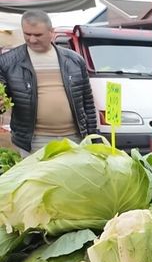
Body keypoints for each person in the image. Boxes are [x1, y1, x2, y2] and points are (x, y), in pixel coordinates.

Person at [0, 10, 97, 155]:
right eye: (27, 34)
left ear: (51, 31)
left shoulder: (74, 61)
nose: (32, 39)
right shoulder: (8, 62)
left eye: (38, 35)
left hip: (74, 138)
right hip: (33, 141)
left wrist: (93, 136)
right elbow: (3, 99)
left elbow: (87, 102)